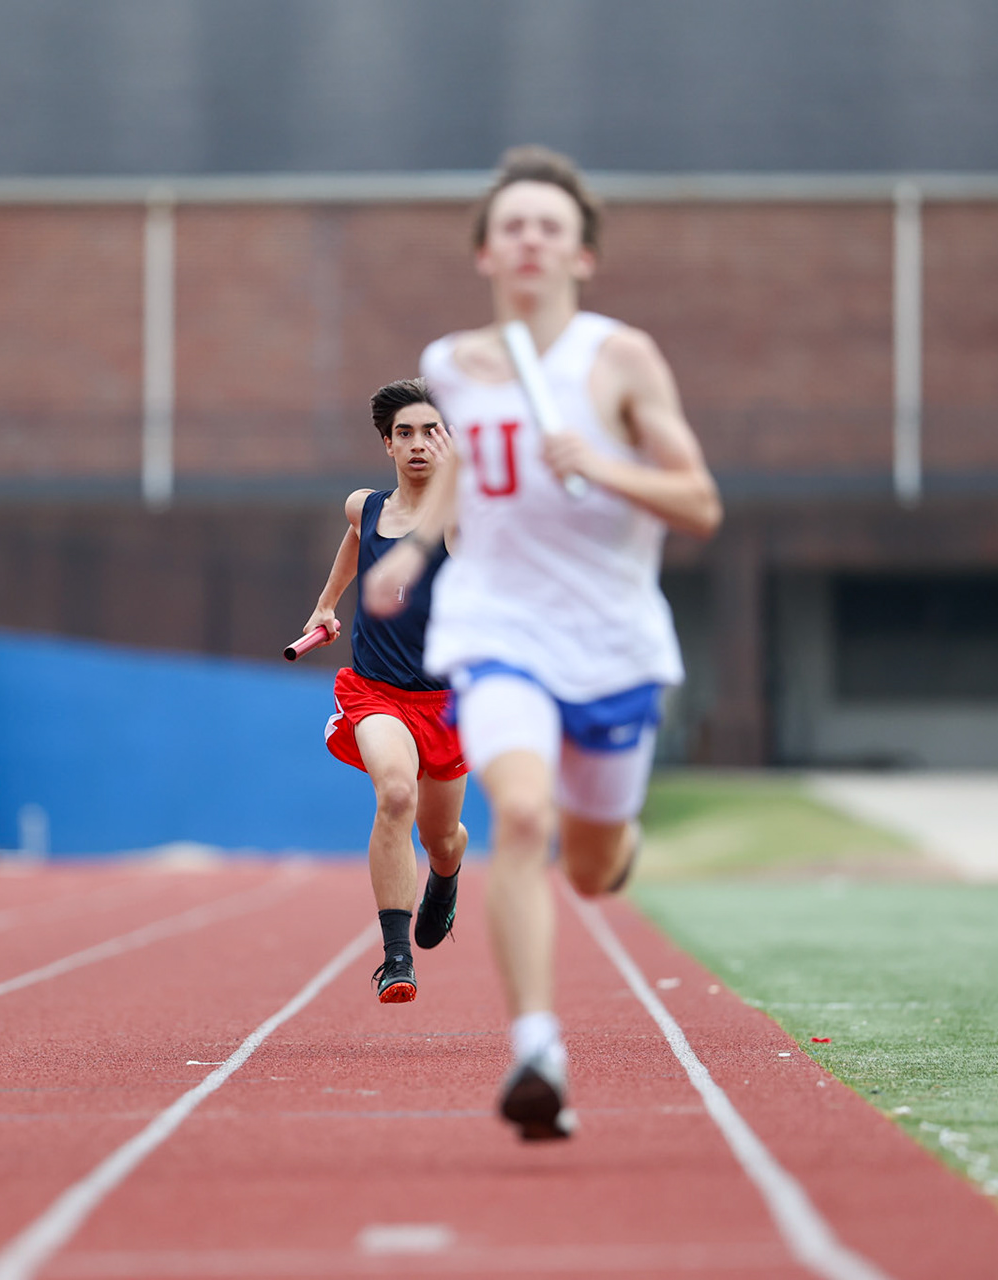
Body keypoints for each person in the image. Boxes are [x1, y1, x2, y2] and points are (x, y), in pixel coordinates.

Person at [365, 146, 722, 1140]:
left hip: (609, 640)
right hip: (498, 626)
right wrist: (413, 551)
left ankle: (618, 839)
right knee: (520, 816)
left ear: (582, 255)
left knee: (593, 867)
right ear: (485, 252)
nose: (530, 239)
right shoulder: (452, 363)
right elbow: (464, 474)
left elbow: (698, 502)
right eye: (512, 225)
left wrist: (606, 466)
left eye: (549, 226)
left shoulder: (622, 359)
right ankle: (535, 1047)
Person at [302, 378, 469, 1005]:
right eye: (406, 434)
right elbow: (357, 539)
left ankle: (446, 879)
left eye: (432, 432)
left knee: (440, 836)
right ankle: (396, 958)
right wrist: (325, 604)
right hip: (377, 692)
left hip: (447, 702)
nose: (419, 445)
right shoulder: (365, 506)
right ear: (387, 445)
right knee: (394, 794)